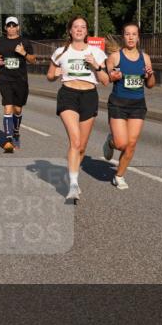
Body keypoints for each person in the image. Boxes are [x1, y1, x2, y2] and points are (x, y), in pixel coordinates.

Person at [47, 16, 110, 203]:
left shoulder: (96, 52)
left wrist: (96, 66)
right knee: (74, 141)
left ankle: (73, 174)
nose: (79, 30)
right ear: (70, 30)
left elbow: (105, 81)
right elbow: (50, 75)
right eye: (76, 27)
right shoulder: (60, 52)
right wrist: (56, 73)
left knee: (81, 146)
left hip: (89, 97)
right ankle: (73, 184)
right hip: (68, 95)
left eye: (83, 27)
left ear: (87, 31)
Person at [103, 23, 155, 189]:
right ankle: (111, 141)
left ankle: (119, 176)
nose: (131, 37)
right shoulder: (115, 57)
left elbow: (151, 84)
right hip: (118, 103)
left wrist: (150, 75)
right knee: (121, 144)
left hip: (138, 104)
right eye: (127, 34)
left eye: (134, 34)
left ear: (138, 37)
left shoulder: (145, 58)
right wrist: (113, 76)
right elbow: (106, 79)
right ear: (123, 36)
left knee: (131, 144)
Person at [0, 16, 36, 153]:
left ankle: (16, 131)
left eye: (13, 25)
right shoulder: (1, 41)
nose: (11, 28)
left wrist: (23, 53)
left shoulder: (24, 41)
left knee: (17, 110)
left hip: (20, 80)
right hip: (5, 79)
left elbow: (33, 60)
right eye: (8, 25)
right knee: (8, 108)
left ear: (18, 27)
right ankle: (8, 139)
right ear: (5, 28)